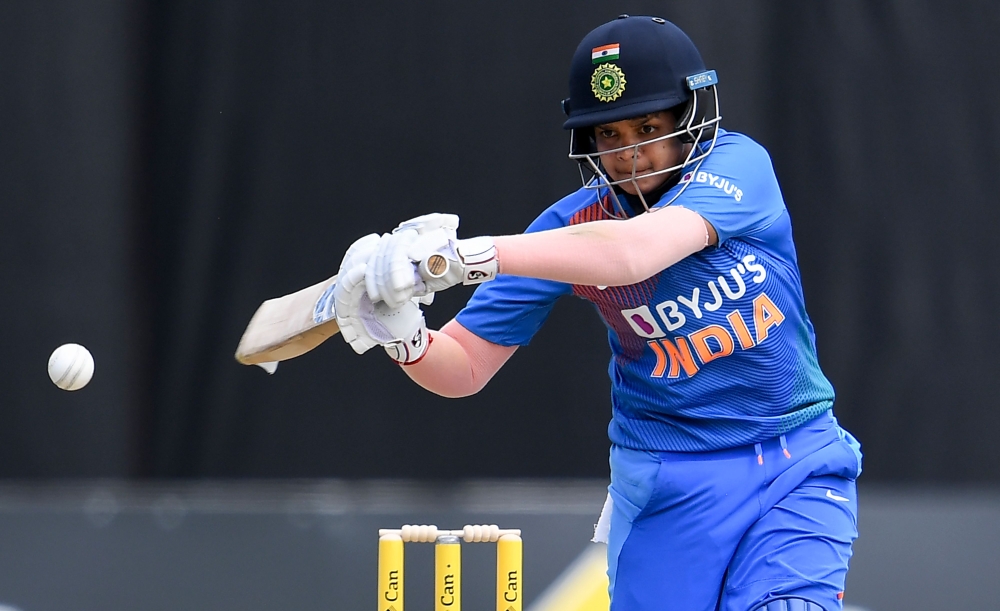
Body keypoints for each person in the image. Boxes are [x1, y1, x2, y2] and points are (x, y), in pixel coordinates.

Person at [333, 15, 862, 611]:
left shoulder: (738, 166)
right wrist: (402, 334)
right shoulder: (568, 230)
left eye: (647, 126)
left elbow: (633, 253)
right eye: (609, 135)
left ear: (689, 117)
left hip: (796, 458)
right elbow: (465, 368)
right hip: (668, 479)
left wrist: (465, 258)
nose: (630, 154)